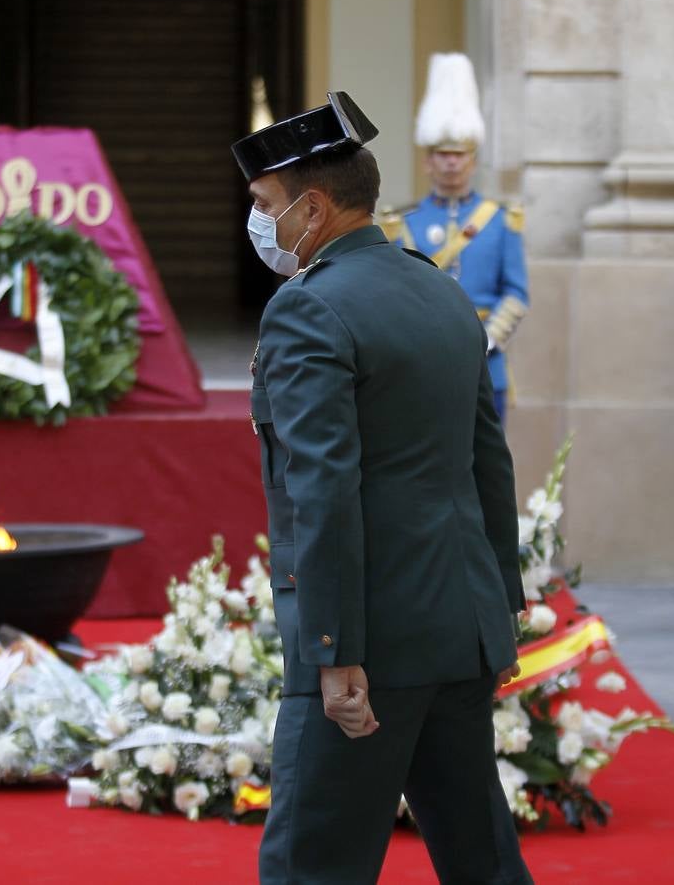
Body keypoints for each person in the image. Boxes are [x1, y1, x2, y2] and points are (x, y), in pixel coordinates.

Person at [232, 93, 532, 884]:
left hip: (370, 642)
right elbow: (487, 459)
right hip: (459, 625)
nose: (259, 222)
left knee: (312, 864)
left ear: (314, 206)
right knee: (482, 858)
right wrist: (502, 603)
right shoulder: (437, 289)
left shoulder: (307, 308)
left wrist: (331, 648)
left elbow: (321, 492)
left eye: (266, 205)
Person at [380, 54, 528, 426]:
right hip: (422, 366)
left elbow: (516, 292)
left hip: (486, 366)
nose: (451, 163)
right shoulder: (402, 224)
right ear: (428, 161)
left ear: (472, 161)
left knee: (484, 473)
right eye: (442, 155)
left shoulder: (500, 220)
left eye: (459, 155)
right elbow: (396, 295)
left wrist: (486, 340)